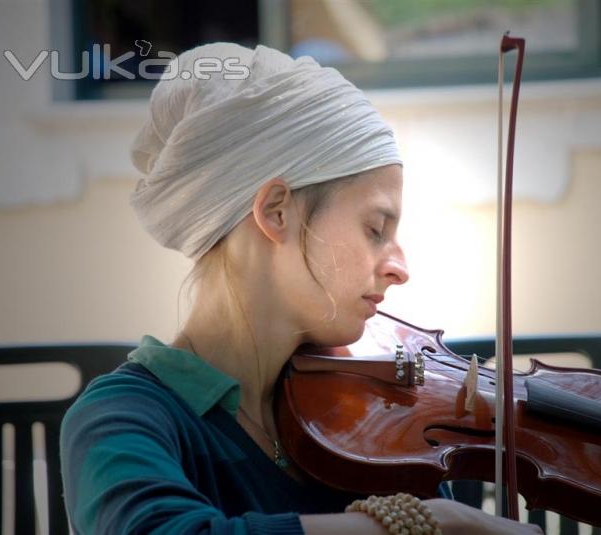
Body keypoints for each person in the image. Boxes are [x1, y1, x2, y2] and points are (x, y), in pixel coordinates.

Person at [59, 42, 540, 535]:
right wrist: (420, 524)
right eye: (375, 228)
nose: (400, 268)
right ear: (275, 212)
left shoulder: (370, 415)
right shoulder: (120, 418)